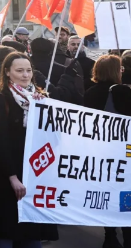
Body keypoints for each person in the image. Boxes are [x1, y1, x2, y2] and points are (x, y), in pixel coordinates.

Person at [0, 52, 58, 247]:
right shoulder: (0, 99)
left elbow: (53, 138)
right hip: (7, 175)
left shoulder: (41, 98)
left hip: (35, 175)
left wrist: (43, 108)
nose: (25, 75)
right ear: (7, 73)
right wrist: (12, 177)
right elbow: (0, 141)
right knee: (6, 232)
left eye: (28, 70)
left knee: (32, 234)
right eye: (19, 71)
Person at [82, 54, 131, 247]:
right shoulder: (123, 92)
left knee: (107, 193)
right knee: (125, 193)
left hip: (100, 151)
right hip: (123, 151)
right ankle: (128, 236)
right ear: (114, 71)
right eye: (120, 68)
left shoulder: (90, 92)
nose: (123, 71)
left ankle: (109, 235)